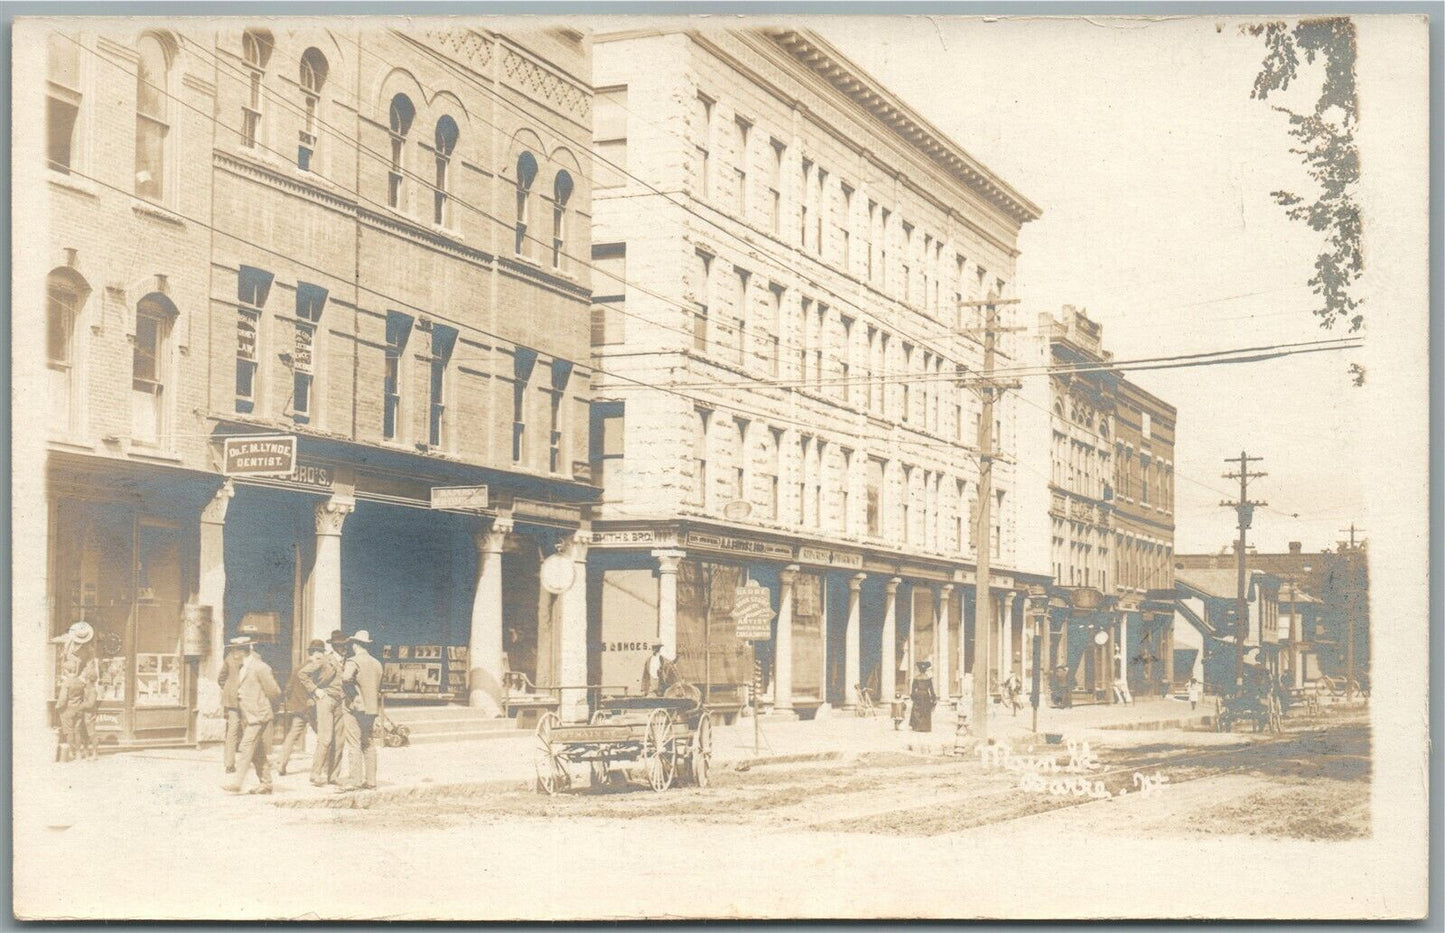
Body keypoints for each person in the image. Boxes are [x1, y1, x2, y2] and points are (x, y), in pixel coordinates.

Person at [222, 638, 281, 795]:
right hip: (247, 715)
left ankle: (237, 783)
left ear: (243, 651)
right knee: (257, 751)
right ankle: (266, 784)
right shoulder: (243, 666)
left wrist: (267, 709)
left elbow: (274, 692)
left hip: (258, 715)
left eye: (236, 650)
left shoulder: (260, 667)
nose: (233, 654)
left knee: (246, 746)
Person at [338, 630, 383, 792]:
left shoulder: (353, 661)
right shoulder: (377, 663)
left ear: (356, 645)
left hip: (354, 708)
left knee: (354, 743)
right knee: (368, 742)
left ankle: (355, 780)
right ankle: (371, 780)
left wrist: (353, 696)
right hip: (371, 709)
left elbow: (345, 678)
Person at [299, 632, 346, 786]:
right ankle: (316, 773)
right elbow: (303, 674)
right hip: (326, 700)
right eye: (339, 645)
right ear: (333, 646)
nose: (343, 647)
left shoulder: (347, 661)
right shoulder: (324, 660)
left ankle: (333, 775)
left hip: (341, 702)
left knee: (339, 740)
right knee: (325, 739)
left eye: (344, 644)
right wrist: (315, 690)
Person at [278, 640, 325, 776]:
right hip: (313, 709)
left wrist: (291, 701)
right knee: (324, 737)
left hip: (299, 709)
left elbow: (288, 688)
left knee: (292, 736)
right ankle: (326, 767)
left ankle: (281, 763)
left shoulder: (299, 667)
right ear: (318, 653)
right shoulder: (317, 669)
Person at [217, 639, 248, 774]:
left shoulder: (229, 657)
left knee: (232, 730)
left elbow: (221, 678)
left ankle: (229, 764)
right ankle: (248, 760)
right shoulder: (254, 658)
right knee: (249, 729)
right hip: (247, 698)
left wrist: (229, 689)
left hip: (232, 699)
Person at [909, 661, 938, 732]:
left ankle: (917, 727)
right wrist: (934, 698)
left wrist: (913, 696)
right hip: (925, 695)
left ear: (919, 670)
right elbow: (931, 690)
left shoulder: (916, 678)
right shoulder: (928, 679)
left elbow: (913, 689)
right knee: (925, 710)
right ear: (925, 670)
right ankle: (925, 727)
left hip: (918, 694)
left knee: (917, 710)